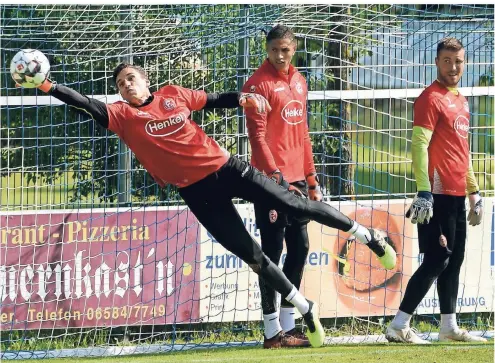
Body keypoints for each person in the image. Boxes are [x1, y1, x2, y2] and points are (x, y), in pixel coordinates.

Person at [17, 60, 395, 348]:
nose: (126, 85)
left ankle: (368, 234)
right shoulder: (122, 115)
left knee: (293, 205)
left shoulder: (172, 95)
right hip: (196, 193)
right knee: (253, 256)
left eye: (131, 78)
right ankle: (304, 308)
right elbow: (83, 103)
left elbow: (212, 100)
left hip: (226, 169)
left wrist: (242, 98)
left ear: (145, 79)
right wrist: (48, 85)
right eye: (119, 83)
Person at [243, 25, 397, 348]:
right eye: (274, 50)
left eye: (285, 50)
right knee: (271, 253)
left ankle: (288, 325)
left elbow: (303, 135)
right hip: (270, 182)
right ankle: (271, 332)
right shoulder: (257, 85)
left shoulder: (299, 82)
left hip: (298, 180)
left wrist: (312, 180)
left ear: (294, 48)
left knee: (299, 248)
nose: (280, 56)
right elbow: (256, 140)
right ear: (266, 50)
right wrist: (275, 176)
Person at [386, 37, 486, 344]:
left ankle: (448, 327)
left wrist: (474, 192)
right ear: (436, 63)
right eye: (447, 61)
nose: (453, 67)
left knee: (453, 260)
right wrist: (424, 190)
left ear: (464, 63)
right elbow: (419, 144)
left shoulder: (462, 100)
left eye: (458, 61)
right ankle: (399, 324)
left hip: (457, 194)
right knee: (437, 258)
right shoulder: (430, 98)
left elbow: (462, 150)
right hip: (436, 193)